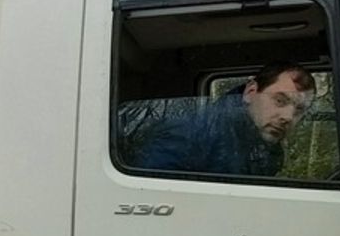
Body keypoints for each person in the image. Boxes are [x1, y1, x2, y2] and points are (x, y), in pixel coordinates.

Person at [126, 63, 316, 177]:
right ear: (251, 92)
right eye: (280, 100)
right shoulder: (193, 133)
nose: (288, 117)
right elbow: (153, 198)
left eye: (299, 110)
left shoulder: (266, 149)